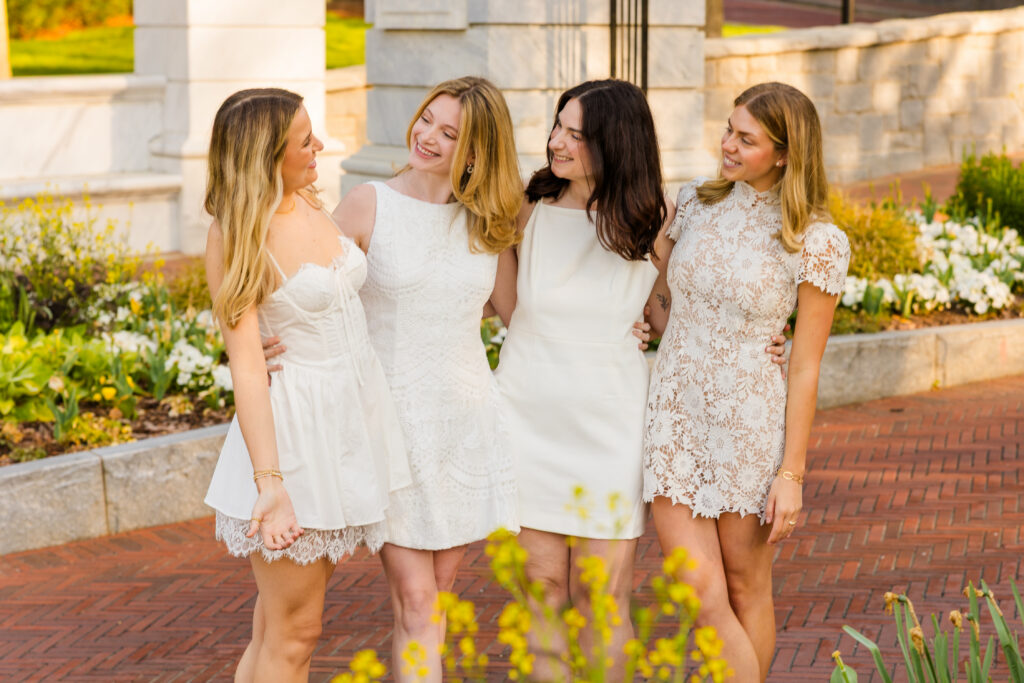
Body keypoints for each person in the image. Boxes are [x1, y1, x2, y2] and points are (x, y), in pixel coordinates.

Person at [492, 79, 788, 680]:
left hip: (610, 422)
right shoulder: (525, 206)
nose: (557, 142)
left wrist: (758, 345)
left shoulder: (655, 216)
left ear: (614, 143)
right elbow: (495, 301)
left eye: (577, 134)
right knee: (541, 590)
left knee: (601, 600)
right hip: (525, 415)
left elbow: (674, 314)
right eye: (558, 126)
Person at [643, 81, 851, 682]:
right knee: (698, 588)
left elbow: (806, 364)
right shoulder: (693, 204)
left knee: (744, 585)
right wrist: (640, 323)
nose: (727, 145)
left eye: (746, 138)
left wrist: (792, 475)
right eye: (729, 129)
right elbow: (660, 301)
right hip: (675, 418)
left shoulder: (817, 241)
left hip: (749, 427)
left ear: (784, 153)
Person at [203, 88, 410, 683]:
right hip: (294, 437)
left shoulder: (309, 200)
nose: (319, 145)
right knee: (295, 632)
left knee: (278, 627)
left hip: (349, 422)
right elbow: (247, 365)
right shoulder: (240, 231)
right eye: (304, 141)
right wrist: (271, 485)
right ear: (267, 155)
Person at [318, 76, 520, 682]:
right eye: (426, 120)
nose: (426, 137)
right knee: (416, 597)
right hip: (392, 427)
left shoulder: (488, 225)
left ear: (477, 152)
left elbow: (519, 317)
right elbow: (311, 296)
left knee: (438, 591)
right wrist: (271, 342)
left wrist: (632, 328)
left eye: (449, 132)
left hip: (464, 423)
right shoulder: (367, 203)